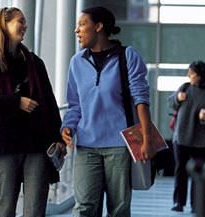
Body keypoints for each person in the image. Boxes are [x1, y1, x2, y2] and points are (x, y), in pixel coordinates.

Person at [0, 7, 65, 217]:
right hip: (4, 144)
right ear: (4, 25)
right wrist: (15, 102)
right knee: (5, 205)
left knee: (36, 207)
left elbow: (49, 102)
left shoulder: (34, 62)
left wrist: (59, 139)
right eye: (20, 21)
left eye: (25, 21)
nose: (25, 26)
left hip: (38, 143)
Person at [61, 6, 155, 217]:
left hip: (119, 146)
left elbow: (141, 100)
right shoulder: (76, 63)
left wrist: (147, 139)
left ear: (98, 26)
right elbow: (75, 104)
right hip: (86, 146)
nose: (76, 30)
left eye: (82, 24)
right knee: (84, 207)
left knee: (118, 209)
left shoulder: (127, 55)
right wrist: (67, 126)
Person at [168, 60, 205, 212]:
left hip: (200, 142)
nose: (188, 75)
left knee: (197, 175)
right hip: (180, 139)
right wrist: (177, 98)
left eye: (191, 73)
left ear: (199, 76)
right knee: (180, 171)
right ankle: (178, 203)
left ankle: (196, 204)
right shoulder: (185, 88)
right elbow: (171, 103)